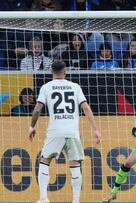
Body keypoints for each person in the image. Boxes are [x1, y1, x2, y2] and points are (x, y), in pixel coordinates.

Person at [28, 60, 101, 203]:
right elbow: (86, 108)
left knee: (44, 161)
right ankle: (75, 201)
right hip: (72, 131)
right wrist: (95, 129)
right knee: (75, 165)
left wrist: (32, 126)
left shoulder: (46, 87)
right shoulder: (75, 86)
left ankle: (43, 197)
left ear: (51, 72)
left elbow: (37, 108)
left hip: (55, 131)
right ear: (65, 71)